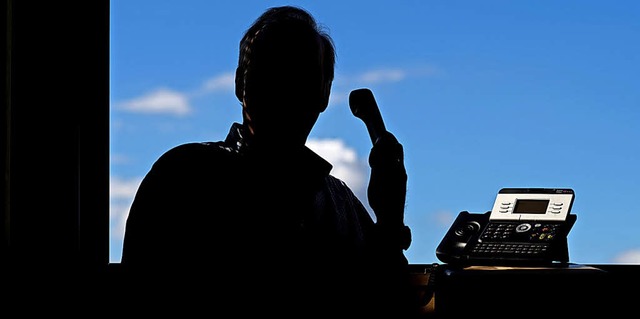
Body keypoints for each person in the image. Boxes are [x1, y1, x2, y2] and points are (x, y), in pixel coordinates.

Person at [120, 5, 414, 317]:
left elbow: (388, 304)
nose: (286, 85)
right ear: (240, 85)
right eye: (271, 69)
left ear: (324, 94)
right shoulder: (181, 179)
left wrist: (389, 218)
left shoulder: (342, 204)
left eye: (302, 73)